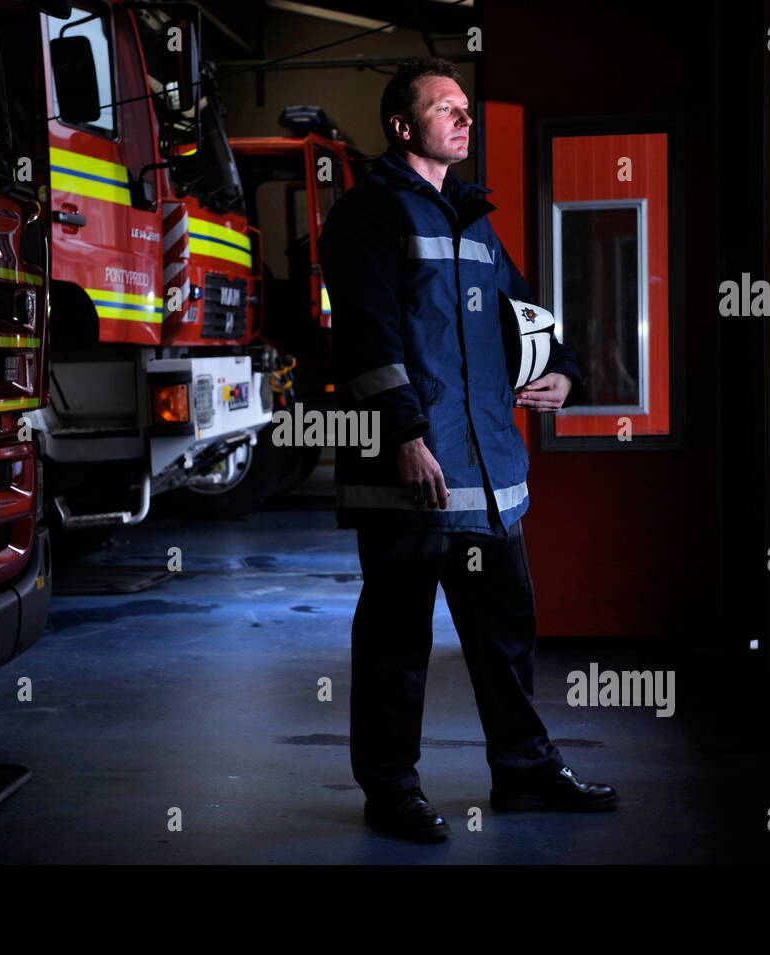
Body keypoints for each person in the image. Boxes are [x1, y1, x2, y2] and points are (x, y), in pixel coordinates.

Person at [317, 57, 619, 843]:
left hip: (488, 479)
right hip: (414, 476)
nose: (463, 118)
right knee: (396, 642)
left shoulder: (472, 220)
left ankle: (524, 772)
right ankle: (391, 791)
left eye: (465, 108)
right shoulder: (368, 217)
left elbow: (524, 317)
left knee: (505, 632)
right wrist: (405, 434)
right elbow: (366, 338)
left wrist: (563, 372)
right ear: (401, 124)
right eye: (444, 108)